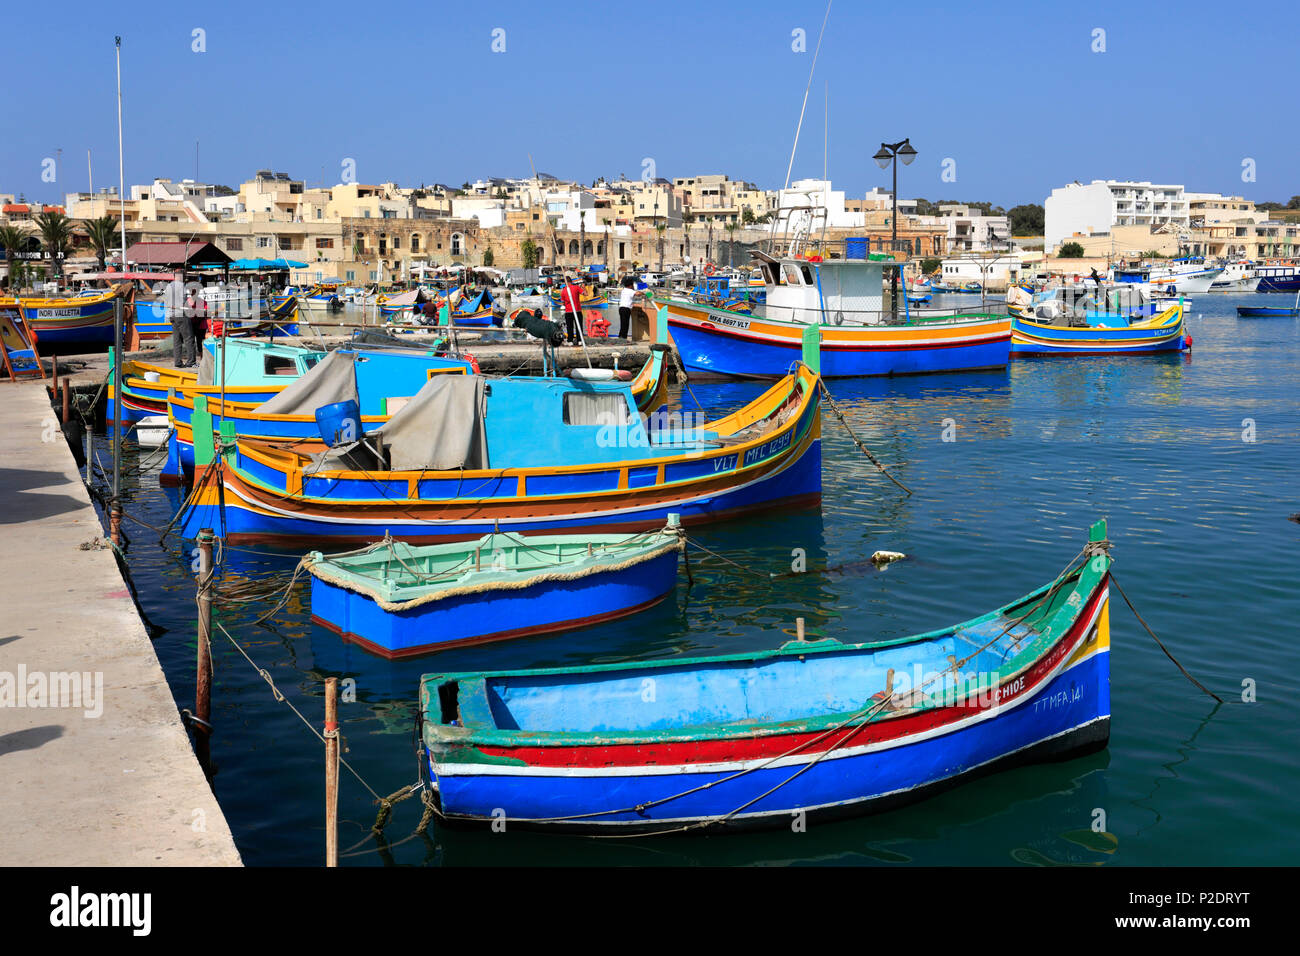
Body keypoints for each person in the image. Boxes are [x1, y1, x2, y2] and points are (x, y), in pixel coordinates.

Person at [167, 276, 196, 367]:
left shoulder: (169, 286)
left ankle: (178, 362)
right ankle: (191, 362)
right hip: (181, 314)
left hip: (172, 315)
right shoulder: (182, 286)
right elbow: (190, 303)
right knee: (189, 338)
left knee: (177, 340)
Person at [560, 273, 584, 344]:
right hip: (577, 310)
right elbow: (585, 293)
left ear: (566, 282)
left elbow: (563, 303)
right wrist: (583, 287)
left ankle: (570, 341)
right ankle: (579, 340)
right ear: (571, 281)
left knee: (569, 327)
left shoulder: (563, 290)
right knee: (579, 326)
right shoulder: (576, 287)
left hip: (568, 312)